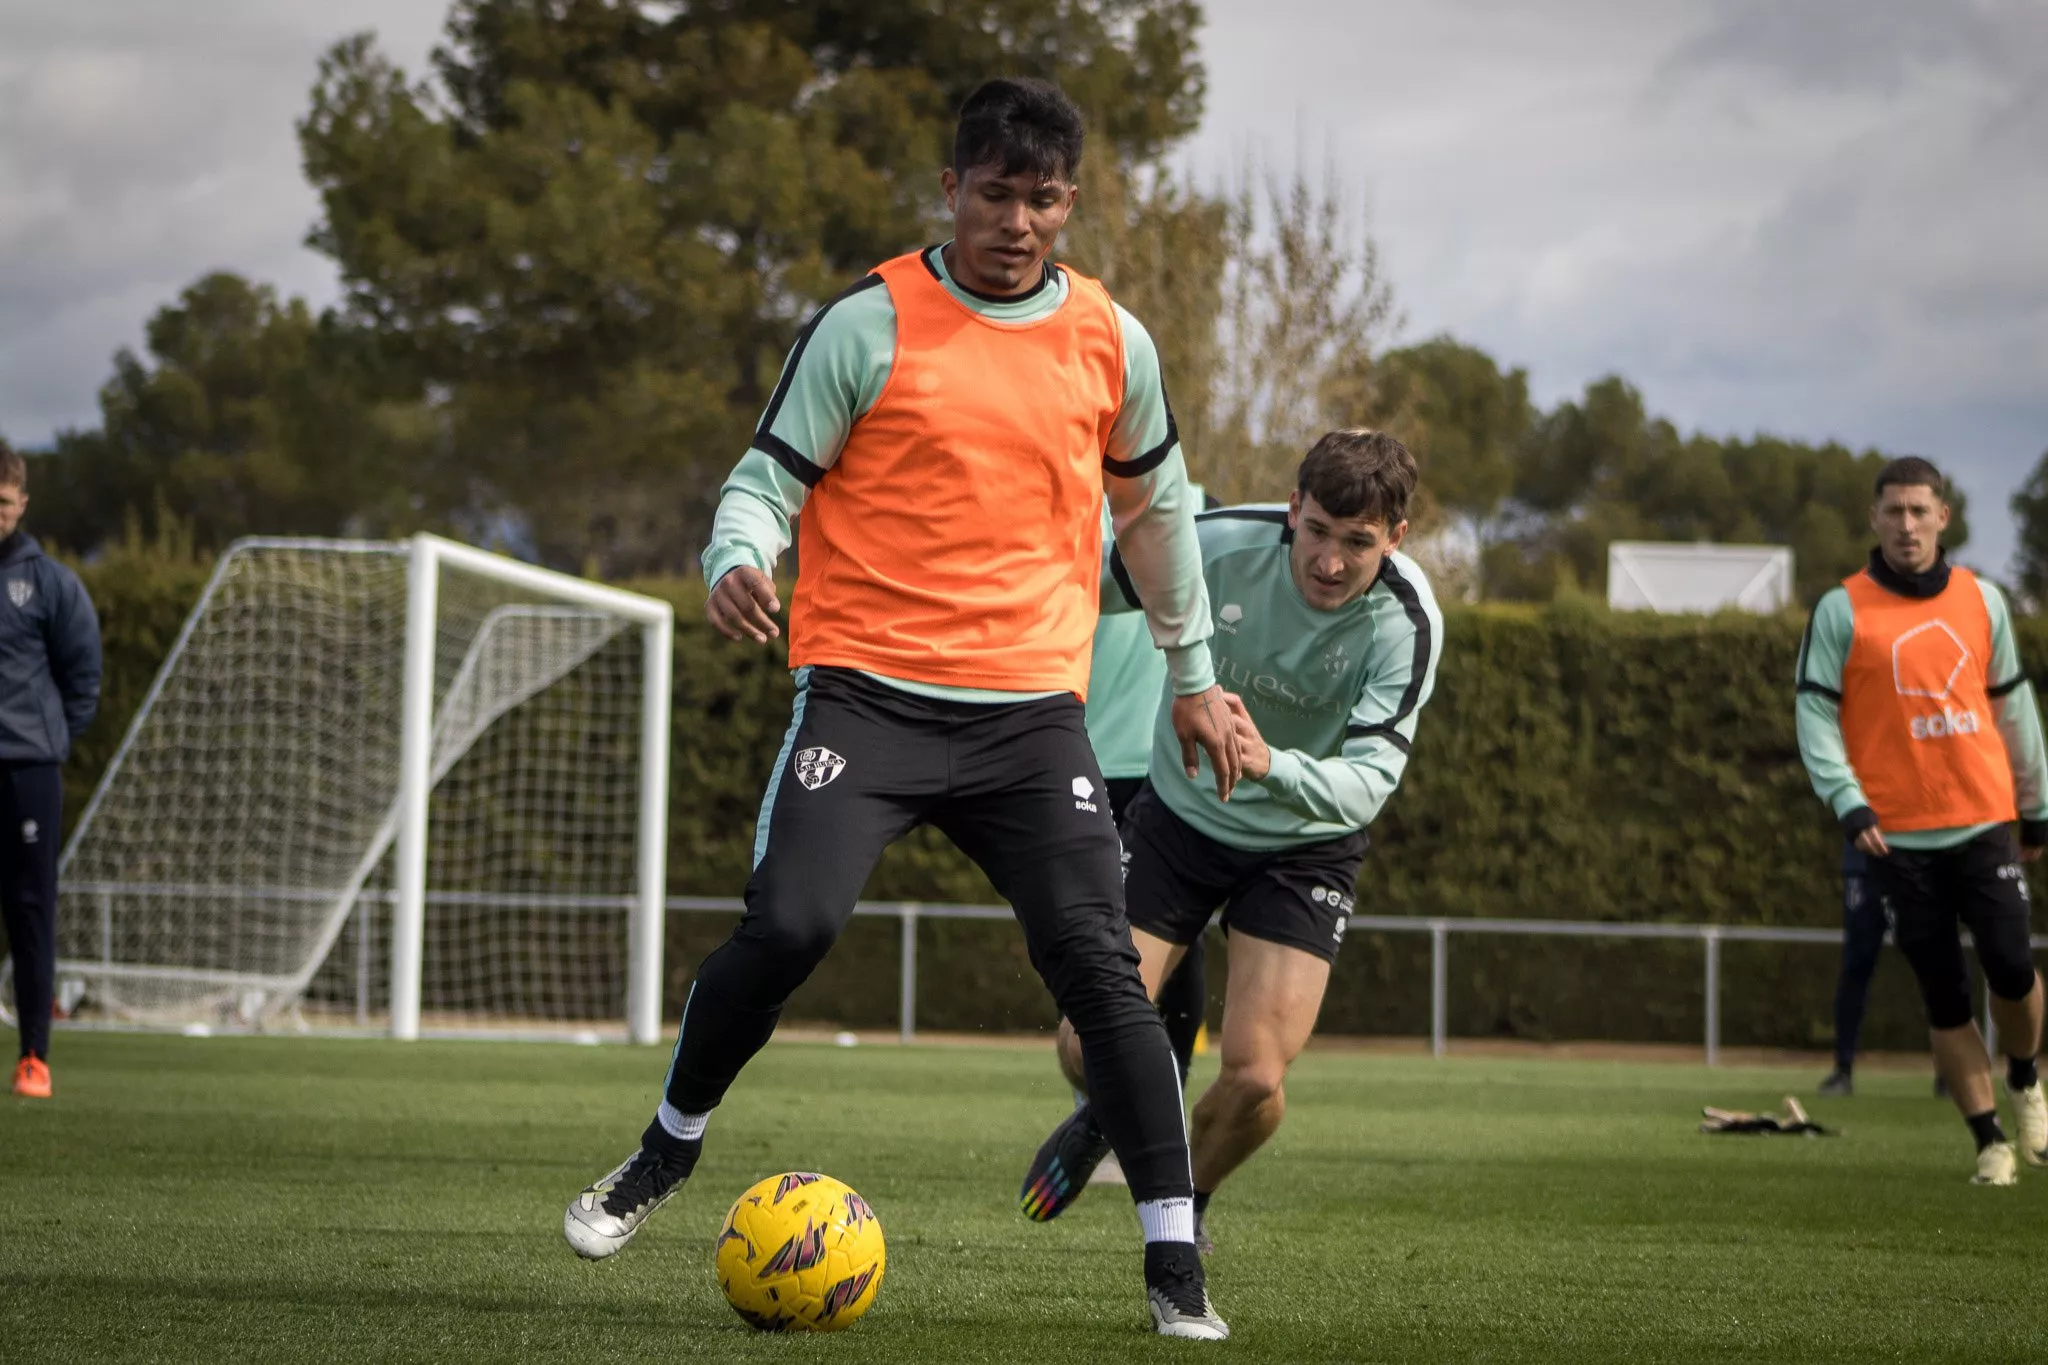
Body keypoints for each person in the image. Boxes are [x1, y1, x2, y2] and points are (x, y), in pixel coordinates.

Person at [562, 78, 1240, 1339]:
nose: (1017, 222)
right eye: (995, 194)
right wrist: (735, 559)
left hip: (1030, 716)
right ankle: (666, 1146)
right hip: (865, 700)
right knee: (788, 927)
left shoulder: (1112, 342)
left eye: (1043, 200)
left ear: (1069, 205)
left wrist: (1192, 679)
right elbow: (762, 483)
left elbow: (1155, 520)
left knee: (1104, 971)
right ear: (950, 189)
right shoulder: (867, 325)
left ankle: (1173, 1266)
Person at [1020, 430, 1442, 1251]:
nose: (1329, 560)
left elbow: (1370, 781)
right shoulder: (1214, 543)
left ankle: (1188, 1205)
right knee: (1084, 1036)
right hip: (1179, 820)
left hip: (1306, 845)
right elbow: (1081, 580)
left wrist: (1268, 764)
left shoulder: (1407, 621)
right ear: (1294, 508)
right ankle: (1113, 1106)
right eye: (1317, 530)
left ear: (1394, 537)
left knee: (1255, 1075)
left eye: (1358, 543)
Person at [1795, 456, 2048, 1184]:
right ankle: (1989, 1142)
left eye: (1919, 510)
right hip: (1896, 835)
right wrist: (1848, 799)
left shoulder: (1983, 600)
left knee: (2011, 964)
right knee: (1945, 995)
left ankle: (2026, 1075)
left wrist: (2036, 806)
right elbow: (1813, 712)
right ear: (1873, 518)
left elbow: (2013, 706)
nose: (1907, 524)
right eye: (1894, 511)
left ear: (1944, 516)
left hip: (1982, 819)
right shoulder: (1841, 609)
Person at [1083, 492, 1221, 1120]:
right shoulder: (1061, 498)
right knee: (1085, 939)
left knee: (1177, 937)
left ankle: (1161, 1108)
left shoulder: (1206, 514)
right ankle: (1108, 1105)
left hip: (1168, 761)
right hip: (1074, 756)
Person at [0, 445, 101, 1099]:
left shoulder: (51, 584)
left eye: (2, 504)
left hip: (27, 770)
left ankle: (34, 1056)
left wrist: (47, 738)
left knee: (30, 913)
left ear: (21, 503)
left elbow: (81, 676)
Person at [1817, 840, 1880, 1096]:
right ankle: (1843, 1069)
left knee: (1935, 966)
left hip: (1916, 861)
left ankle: (1949, 1073)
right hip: (1864, 867)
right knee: (1856, 966)